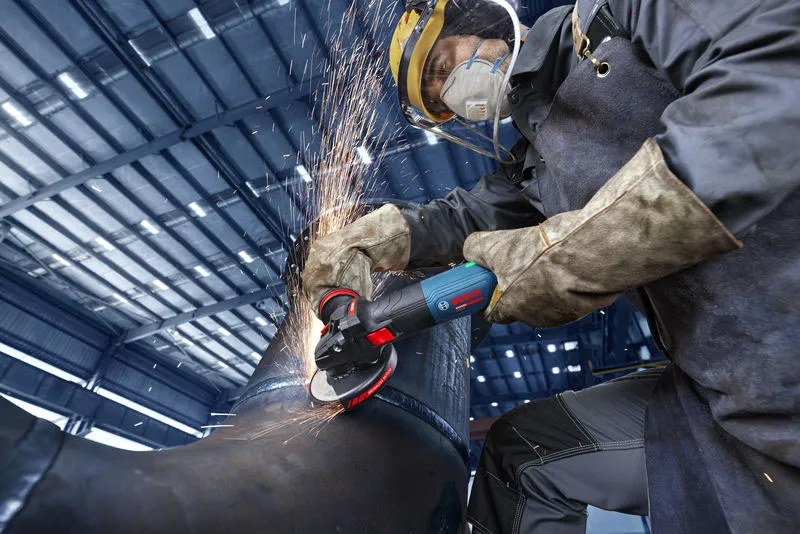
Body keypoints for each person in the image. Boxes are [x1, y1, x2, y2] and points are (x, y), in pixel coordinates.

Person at [302, 0, 800, 531]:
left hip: (781, 371)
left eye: (443, 67)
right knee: (525, 456)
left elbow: (772, 86)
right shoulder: (541, 162)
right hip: (721, 394)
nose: (451, 92)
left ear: (484, 23)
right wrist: (369, 239)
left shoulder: (620, 13)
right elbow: (462, 218)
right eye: (439, 99)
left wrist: (571, 257)